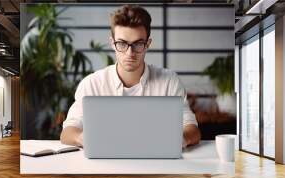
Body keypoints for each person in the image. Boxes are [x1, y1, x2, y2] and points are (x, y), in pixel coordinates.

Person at [60, 4, 201, 147]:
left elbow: (192, 128)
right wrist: (82, 138)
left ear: (147, 44)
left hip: (156, 163)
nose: (130, 53)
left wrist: (180, 140)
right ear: (112, 43)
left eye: (138, 44)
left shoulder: (169, 82)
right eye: (121, 44)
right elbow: (67, 132)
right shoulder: (92, 84)